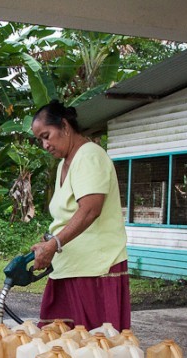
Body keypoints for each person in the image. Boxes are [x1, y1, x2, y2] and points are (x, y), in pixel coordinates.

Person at [29, 100, 131, 331]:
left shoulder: (89, 156)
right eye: (40, 140)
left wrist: (54, 243)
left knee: (94, 348)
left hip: (94, 269)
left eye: (47, 135)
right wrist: (49, 244)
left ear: (64, 126)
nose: (45, 144)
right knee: (60, 346)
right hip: (68, 267)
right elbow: (67, 217)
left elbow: (90, 210)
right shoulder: (63, 165)